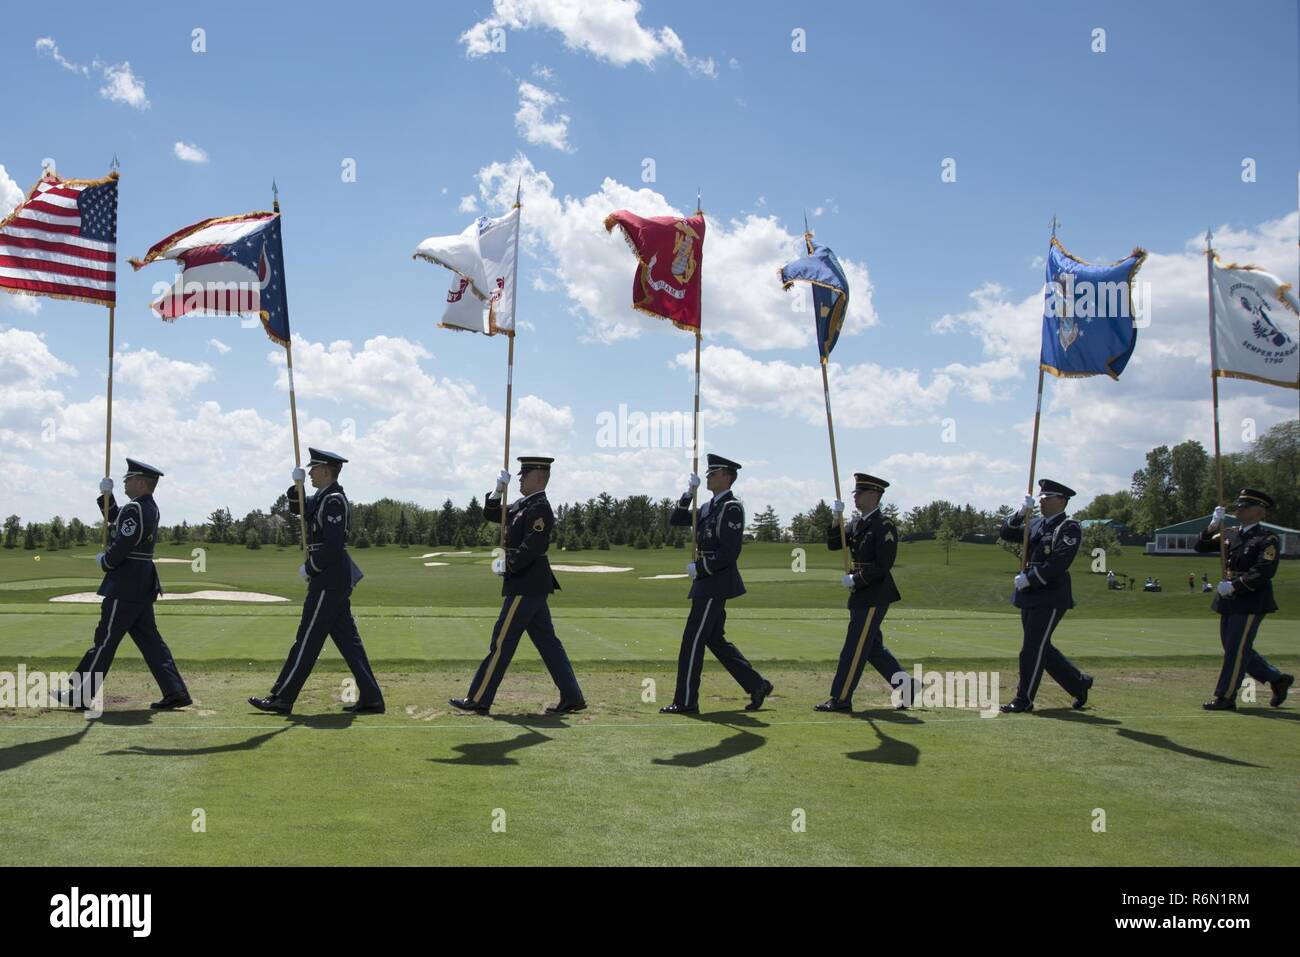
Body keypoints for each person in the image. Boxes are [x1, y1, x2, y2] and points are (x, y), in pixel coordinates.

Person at [249, 449, 384, 715]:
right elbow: (301, 508)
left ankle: (282, 697)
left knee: (307, 638)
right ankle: (372, 698)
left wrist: (311, 567)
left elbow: (333, 545)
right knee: (348, 642)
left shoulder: (333, 500)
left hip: (329, 578)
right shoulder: (323, 497)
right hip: (332, 578)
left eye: (312, 469)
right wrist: (295, 487)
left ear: (325, 471)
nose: (309, 473)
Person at [450, 456, 585, 716]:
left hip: (526, 584)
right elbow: (491, 513)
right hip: (530, 584)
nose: (520, 478)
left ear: (538, 476)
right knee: (548, 644)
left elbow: (533, 546)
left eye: (524, 474)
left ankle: (478, 698)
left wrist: (507, 564)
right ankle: (572, 696)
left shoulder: (540, 508)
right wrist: (497, 490)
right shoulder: (523, 505)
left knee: (502, 642)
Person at [54, 459, 191, 712]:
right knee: (151, 641)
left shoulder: (135, 508)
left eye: (128, 480)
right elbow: (120, 523)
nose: (125, 482)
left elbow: (123, 542)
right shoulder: (148, 508)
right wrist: (107, 497)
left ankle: (82, 693)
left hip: (126, 584)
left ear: (140, 482)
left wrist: (105, 561)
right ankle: (175, 691)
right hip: (142, 583)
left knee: (105, 640)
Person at [659, 454, 772, 715]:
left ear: (727, 477)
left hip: (715, 581)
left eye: (713, 473)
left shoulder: (731, 507)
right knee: (713, 638)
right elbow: (677, 519)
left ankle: (686, 701)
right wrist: (689, 493)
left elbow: (730, 552)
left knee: (692, 640)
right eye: (708, 473)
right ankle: (757, 685)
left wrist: (701, 567)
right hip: (706, 581)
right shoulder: (709, 507)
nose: (709, 476)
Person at [815, 473, 916, 712]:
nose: (855, 497)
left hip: (874, 593)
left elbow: (883, 564)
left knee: (854, 647)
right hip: (861, 593)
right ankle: (907, 687)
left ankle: (841, 698)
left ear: (874, 495)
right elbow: (834, 544)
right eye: (855, 493)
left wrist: (856, 579)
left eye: (859, 493)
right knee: (871, 647)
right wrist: (835, 517)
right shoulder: (857, 523)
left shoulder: (884, 525)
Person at [996, 479, 1093, 713]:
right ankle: (1078, 683)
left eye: (1047, 498)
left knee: (1031, 647)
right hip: (1029, 593)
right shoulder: (1036, 523)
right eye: (1040, 498)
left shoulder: (1069, 527)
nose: (1042, 501)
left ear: (1062, 501)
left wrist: (1031, 577)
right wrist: (1020, 513)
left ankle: (1024, 699)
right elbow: (1006, 533)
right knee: (1041, 647)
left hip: (1050, 594)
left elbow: (1059, 562)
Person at [1193, 490, 1293, 710]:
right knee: (1234, 648)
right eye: (1238, 506)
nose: (1238, 509)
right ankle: (1277, 680)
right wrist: (1212, 526)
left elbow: (1264, 571)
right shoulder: (1230, 533)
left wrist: (1235, 585)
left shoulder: (1267, 539)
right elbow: (1200, 546)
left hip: (1250, 598)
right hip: (1228, 599)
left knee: (1236, 649)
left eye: (1244, 507)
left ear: (1259, 512)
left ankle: (1225, 697)